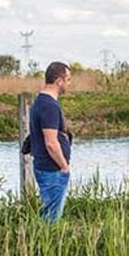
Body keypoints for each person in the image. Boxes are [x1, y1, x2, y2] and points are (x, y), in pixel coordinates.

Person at [28, 62, 73, 221]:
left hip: (46, 167)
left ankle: (40, 243)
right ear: (58, 81)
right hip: (52, 169)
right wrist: (63, 166)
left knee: (49, 214)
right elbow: (51, 143)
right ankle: (44, 245)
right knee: (51, 219)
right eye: (67, 79)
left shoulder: (40, 102)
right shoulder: (49, 106)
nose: (69, 83)